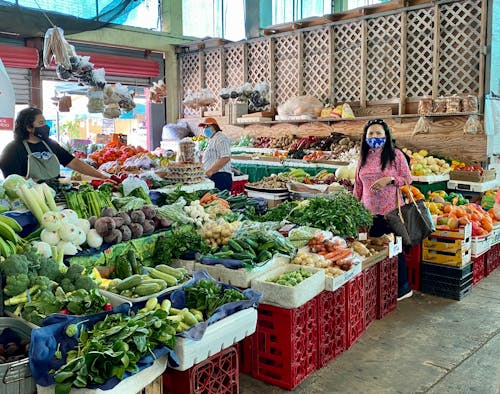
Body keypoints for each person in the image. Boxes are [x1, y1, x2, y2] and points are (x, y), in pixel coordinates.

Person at [353, 119, 413, 301]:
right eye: (371, 133)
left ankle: (403, 288)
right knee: (375, 249)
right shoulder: (364, 157)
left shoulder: (395, 155)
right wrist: (355, 206)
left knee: (394, 249)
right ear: (365, 137)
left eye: (379, 133)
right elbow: (358, 185)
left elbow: (408, 179)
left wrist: (389, 180)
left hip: (391, 211)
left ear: (386, 136)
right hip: (369, 212)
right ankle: (380, 287)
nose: (374, 137)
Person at [0, 107, 110, 181]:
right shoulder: (12, 150)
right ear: (29, 127)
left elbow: (73, 162)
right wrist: (41, 184)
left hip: (56, 197)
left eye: (45, 122)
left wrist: (100, 176)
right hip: (28, 203)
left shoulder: (50, 144)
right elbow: (13, 181)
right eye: (41, 123)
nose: (45, 126)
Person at [198, 117, 233, 191]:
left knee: (220, 201)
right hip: (213, 176)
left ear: (215, 127)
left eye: (207, 126)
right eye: (204, 127)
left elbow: (225, 157)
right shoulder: (212, 139)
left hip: (220, 177)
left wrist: (211, 171)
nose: (205, 129)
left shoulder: (221, 138)